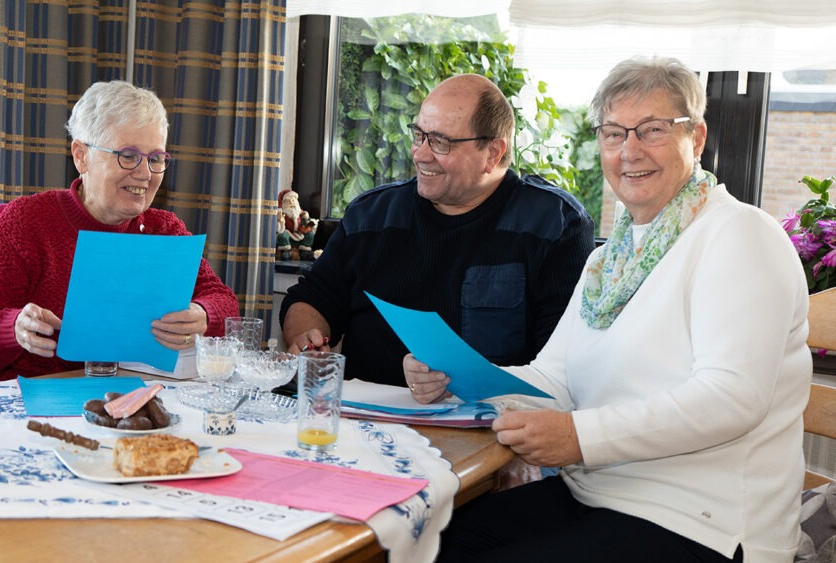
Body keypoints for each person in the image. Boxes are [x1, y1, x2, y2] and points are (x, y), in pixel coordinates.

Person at [409, 57, 811, 562]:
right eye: (614, 133)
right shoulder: (610, 258)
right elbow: (552, 381)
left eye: (653, 130)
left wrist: (579, 438)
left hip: (704, 524)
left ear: (698, 137)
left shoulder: (740, 236)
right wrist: (458, 379)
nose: (630, 151)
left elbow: (732, 399)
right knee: (426, 542)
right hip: (596, 497)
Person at [280, 73, 595, 387]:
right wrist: (308, 342)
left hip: (491, 426)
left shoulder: (555, 226)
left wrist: (457, 384)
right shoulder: (372, 215)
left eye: (441, 143)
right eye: (419, 136)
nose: (420, 154)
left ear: (493, 153)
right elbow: (311, 298)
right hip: (363, 424)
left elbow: (560, 367)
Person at [0, 80, 239, 380]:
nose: (145, 174)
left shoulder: (163, 228)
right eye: (129, 155)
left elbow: (224, 301)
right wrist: (14, 328)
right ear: (81, 156)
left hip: (135, 397)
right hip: (39, 398)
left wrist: (202, 315)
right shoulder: (28, 221)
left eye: (155, 159)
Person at [278, 189, 317, 260]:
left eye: (293, 200)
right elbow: (280, 228)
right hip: (288, 233)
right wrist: (281, 220)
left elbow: (306, 223)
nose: (292, 203)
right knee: (282, 236)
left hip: (299, 233)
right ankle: (285, 251)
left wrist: (308, 225)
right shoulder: (283, 215)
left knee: (310, 234)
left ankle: (304, 252)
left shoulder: (300, 214)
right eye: (289, 201)